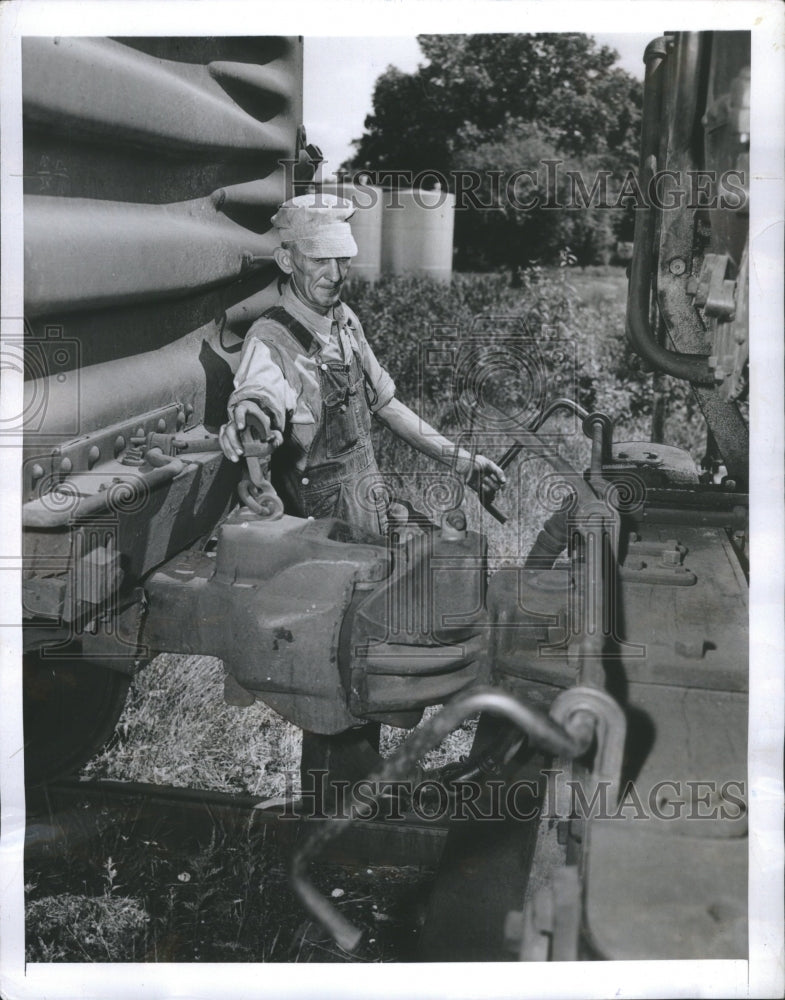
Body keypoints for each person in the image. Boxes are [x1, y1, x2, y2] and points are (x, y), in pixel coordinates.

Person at [219, 192, 505, 535]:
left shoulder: (345, 319)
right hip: (327, 537)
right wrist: (251, 411)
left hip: (371, 503)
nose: (335, 274)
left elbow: (386, 405)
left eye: (343, 258)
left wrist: (462, 461)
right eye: (319, 259)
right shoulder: (270, 340)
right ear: (286, 260)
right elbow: (260, 393)